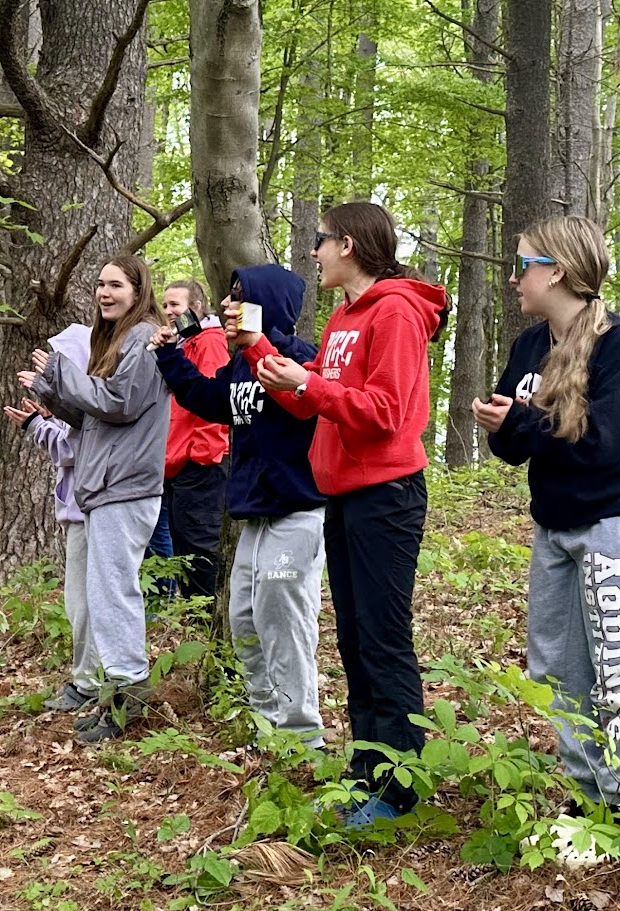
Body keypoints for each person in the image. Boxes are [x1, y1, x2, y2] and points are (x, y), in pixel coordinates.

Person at [234, 202, 448, 825]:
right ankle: (367, 770)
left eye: (321, 240)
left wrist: (308, 383)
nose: (314, 252)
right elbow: (311, 403)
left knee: (382, 637)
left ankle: (399, 789)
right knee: (353, 637)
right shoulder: (344, 316)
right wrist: (262, 355)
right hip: (342, 494)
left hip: (387, 495)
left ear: (349, 245)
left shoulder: (396, 312)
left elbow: (383, 411)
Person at [472, 215, 620, 813]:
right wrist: (504, 426)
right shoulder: (530, 347)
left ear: (557, 272)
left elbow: (604, 446)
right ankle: (587, 797)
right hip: (556, 524)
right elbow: (513, 448)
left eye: (523, 264)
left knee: (618, 666)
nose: (513, 277)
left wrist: (520, 422)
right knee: (557, 665)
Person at [150, 264, 327, 745]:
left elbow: (312, 405)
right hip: (255, 516)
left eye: (238, 297)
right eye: (228, 297)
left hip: (297, 510)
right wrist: (170, 357)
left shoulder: (300, 358)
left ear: (266, 305)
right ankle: (267, 727)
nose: (227, 305)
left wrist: (260, 349)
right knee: (245, 620)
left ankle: (302, 737)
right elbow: (211, 400)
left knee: (283, 620)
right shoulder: (240, 364)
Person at [20, 254, 170, 743]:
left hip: (125, 484)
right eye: (100, 285)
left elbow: (120, 403)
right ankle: (117, 687)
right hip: (107, 484)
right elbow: (93, 417)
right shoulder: (119, 340)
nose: (105, 293)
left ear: (138, 291)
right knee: (102, 592)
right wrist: (51, 389)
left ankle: (128, 692)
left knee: (112, 591)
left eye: (116, 285)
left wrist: (62, 372)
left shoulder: (144, 337)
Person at [4, 323, 101, 712]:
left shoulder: (89, 402)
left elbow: (73, 449)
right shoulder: (82, 402)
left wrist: (36, 426)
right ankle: (93, 677)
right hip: (81, 507)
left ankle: (89, 681)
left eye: (59, 360)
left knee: (83, 600)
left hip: (87, 508)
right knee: (82, 598)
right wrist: (45, 418)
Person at [159, 279, 230, 599]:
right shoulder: (185, 342)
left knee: (199, 547)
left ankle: (205, 616)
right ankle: (192, 615)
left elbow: (214, 401)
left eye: (175, 304)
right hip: (178, 464)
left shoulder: (210, 341)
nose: (168, 311)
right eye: (165, 305)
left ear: (197, 307)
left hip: (200, 465)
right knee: (183, 547)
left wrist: (201, 455)